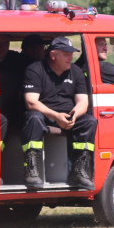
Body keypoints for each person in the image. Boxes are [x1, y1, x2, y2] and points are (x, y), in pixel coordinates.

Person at [21, 36, 97, 190]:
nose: (71, 57)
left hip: (67, 116)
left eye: (72, 53)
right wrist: (56, 116)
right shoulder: (35, 69)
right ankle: (31, 170)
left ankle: (79, 172)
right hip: (44, 115)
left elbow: (83, 102)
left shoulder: (75, 71)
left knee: (89, 121)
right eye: (66, 54)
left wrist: (74, 116)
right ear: (53, 55)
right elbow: (31, 102)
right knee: (33, 118)